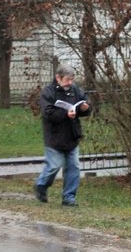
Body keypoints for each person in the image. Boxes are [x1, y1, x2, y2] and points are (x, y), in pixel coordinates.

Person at [34, 63, 91, 207]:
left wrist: (85, 108)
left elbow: (84, 104)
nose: (70, 83)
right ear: (58, 78)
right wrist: (65, 113)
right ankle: (41, 185)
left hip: (72, 136)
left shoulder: (75, 90)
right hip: (54, 137)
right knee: (54, 166)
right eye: (67, 79)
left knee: (74, 167)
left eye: (72, 79)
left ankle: (69, 197)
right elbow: (47, 113)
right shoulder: (48, 92)